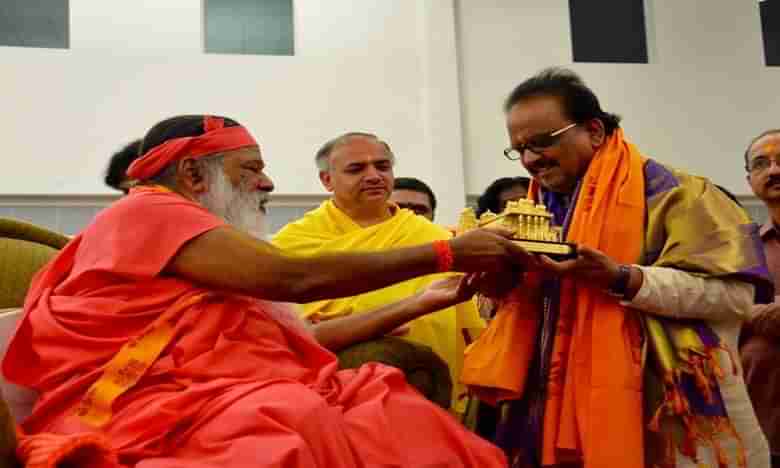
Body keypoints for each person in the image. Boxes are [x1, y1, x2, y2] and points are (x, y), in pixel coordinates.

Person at [2, 115, 533, 467]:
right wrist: (447, 253)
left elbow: (296, 338)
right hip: (148, 402)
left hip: (232, 390)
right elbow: (294, 279)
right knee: (285, 423)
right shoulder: (149, 211)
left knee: (388, 405)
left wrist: (420, 301)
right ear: (193, 174)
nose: (268, 182)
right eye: (251, 168)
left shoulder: (213, 243)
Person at [460, 68, 773, 468]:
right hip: (555, 419)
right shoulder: (533, 212)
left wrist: (623, 278)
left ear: (593, 131)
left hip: (672, 418)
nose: (530, 160)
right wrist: (498, 290)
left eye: (542, 142)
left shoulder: (681, 195)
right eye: (518, 149)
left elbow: (733, 298)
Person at [272, 132, 487, 417]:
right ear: (327, 180)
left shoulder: (434, 238)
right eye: (356, 169)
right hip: (332, 396)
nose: (373, 176)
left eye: (382, 166)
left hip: (429, 387)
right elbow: (283, 332)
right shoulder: (292, 243)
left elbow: (468, 327)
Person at [743, 128, 780, 468]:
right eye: (761, 163)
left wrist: (752, 313)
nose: (774, 170)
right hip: (758, 424)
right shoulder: (743, 247)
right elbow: (720, 311)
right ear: (750, 180)